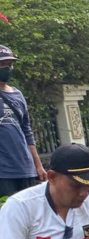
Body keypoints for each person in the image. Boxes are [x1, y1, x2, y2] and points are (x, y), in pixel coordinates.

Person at [0, 45, 46, 198]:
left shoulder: (17, 95)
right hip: (3, 172)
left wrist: (38, 165)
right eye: (2, 64)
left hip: (25, 168)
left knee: (31, 216)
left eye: (9, 64)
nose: (7, 68)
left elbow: (26, 132)